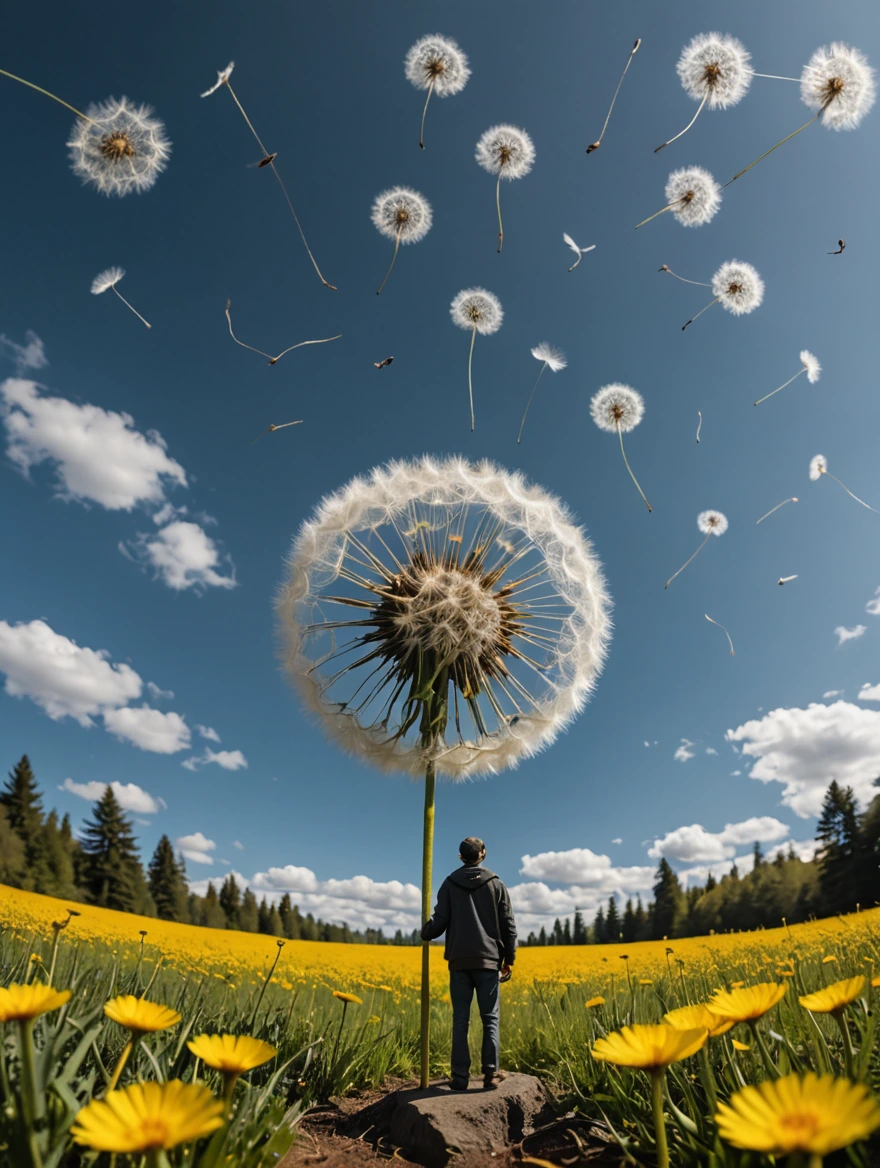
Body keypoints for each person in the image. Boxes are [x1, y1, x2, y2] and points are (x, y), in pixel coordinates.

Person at [420, 837, 517, 1091]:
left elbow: (439, 921)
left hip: (459, 962)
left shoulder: (450, 883)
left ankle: (460, 1078)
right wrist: (509, 960)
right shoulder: (496, 884)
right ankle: (491, 1074)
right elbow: (509, 926)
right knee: (490, 1019)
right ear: (483, 854)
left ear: (461, 857)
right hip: (488, 962)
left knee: (460, 1020)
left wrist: (426, 932)